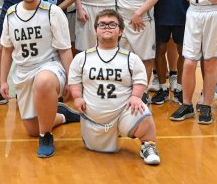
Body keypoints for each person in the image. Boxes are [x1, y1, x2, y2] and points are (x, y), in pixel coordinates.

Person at [0, 0, 78, 158]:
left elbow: (65, 50)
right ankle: (61, 115)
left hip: (50, 67)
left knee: (42, 82)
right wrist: (2, 81)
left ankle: (46, 136)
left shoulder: (53, 12)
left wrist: (72, 81)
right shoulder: (10, 14)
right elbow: (7, 50)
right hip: (23, 72)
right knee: (32, 129)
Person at [67, 9, 160, 164]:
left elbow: (140, 79)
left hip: (122, 113)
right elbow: (74, 79)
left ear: (120, 31)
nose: (107, 27)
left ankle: (148, 145)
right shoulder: (82, 58)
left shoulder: (131, 58)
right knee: (97, 153)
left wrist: (136, 96)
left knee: (142, 110)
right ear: (95, 30)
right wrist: (77, 97)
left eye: (112, 24)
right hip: (93, 118)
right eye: (102, 24)